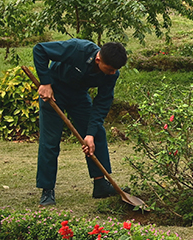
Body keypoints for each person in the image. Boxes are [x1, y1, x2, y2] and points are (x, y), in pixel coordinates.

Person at [34, 39, 128, 207]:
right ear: (98, 60)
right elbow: (40, 50)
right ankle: (47, 190)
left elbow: (102, 103)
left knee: (97, 133)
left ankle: (100, 184)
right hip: (54, 91)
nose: (113, 73)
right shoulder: (77, 49)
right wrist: (45, 82)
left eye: (116, 70)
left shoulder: (112, 74)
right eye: (110, 69)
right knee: (50, 141)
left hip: (78, 96)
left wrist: (90, 134)